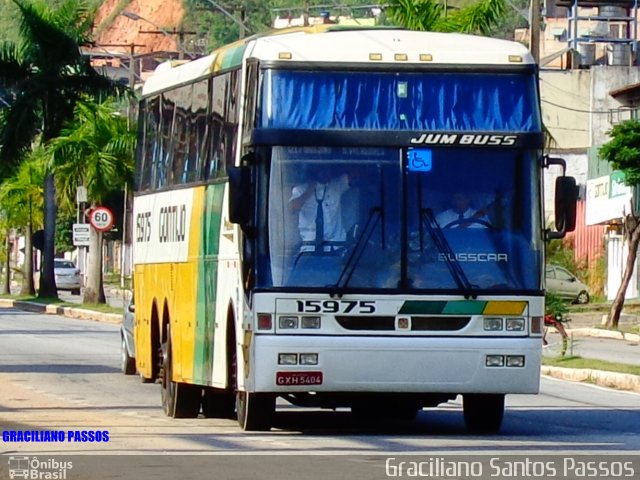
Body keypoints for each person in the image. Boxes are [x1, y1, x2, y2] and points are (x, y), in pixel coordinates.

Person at [289, 166, 350, 252]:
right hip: (309, 248)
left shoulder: (336, 186)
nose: (324, 173)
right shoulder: (300, 190)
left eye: (327, 169)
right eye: (320, 170)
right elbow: (292, 208)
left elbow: (355, 174)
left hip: (335, 247)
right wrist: (309, 190)